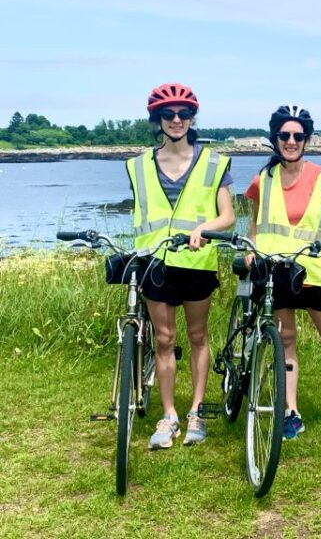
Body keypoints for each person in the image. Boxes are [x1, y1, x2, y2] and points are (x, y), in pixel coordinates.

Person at [127, 83, 235, 449]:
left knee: (197, 336)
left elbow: (228, 216)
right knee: (164, 339)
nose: (176, 120)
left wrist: (205, 228)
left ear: (192, 118)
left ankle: (197, 410)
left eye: (184, 114)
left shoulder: (215, 163)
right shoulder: (138, 165)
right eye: (168, 114)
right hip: (155, 262)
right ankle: (169, 414)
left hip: (197, 263)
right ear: (157, 119)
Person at [243, 105, 321, 442]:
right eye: (284, 135)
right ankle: (291, 412)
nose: (291, 141)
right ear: (275, 138)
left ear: (306, 140)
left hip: (313, 272)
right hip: (275, 271)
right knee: (286, 341)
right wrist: (250, 249)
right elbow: (254, 222)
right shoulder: (262, 179)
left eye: (298, 136)